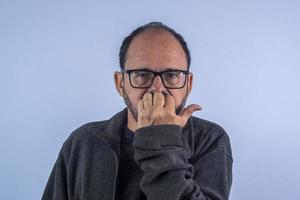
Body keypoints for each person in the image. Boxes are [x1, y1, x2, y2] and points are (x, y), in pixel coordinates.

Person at [42, 22, 233, 200]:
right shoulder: (82, 142)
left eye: (172, 75)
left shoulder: (210, 140)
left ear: (188, 84)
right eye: (142, 75)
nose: (157, 88)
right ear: (120, 83)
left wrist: (159, 140)